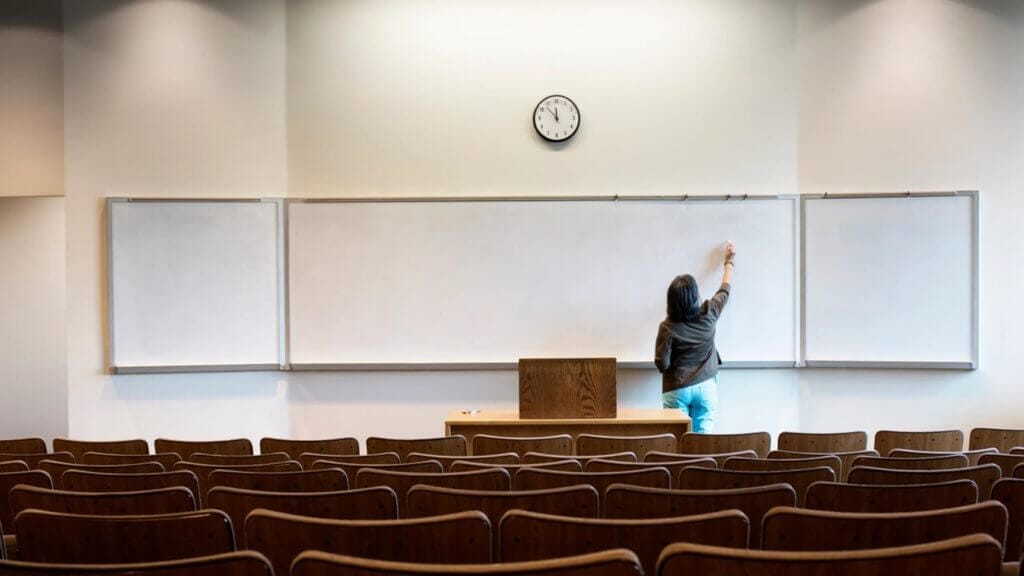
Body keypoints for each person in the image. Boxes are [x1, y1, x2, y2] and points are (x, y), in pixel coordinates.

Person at [655, 241, 735, 434]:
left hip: (677, 388)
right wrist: (728, 263)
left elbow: (662, 364)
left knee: (679, 442)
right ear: (694, 297)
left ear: (671, 301)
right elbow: (724, 291)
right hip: (706, 386)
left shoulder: (667, 327)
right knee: (701, 445)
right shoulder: (709, 313)